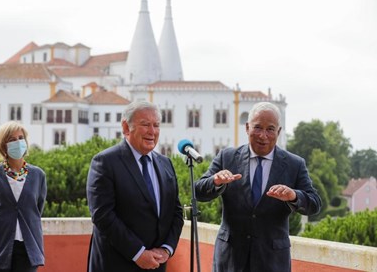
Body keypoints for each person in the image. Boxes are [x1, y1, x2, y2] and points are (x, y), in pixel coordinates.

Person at [195, 102, 322, 272]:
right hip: (230, 260)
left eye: (270, 129)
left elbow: (314, 204)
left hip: (272, 262)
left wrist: (294, 196)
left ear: (279, 131)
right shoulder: (227, 157)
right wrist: (215, 181)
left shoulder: (295, 164)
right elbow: (198, 191)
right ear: (247, 128)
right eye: (257, 127)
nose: (263, 135)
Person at [86, 101, 184, 271]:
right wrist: (138, 254)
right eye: (145, 124)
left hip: (156, 265)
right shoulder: (105, 162)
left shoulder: (166, 164)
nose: (152, 131)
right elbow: (103, 215)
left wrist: (166, 249)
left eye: (156, 125)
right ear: (126, 127)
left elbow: (176, 211)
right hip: (116, 265)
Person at [0, 121, 47, 272]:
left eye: (20, 138)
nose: (18, 142)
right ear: (3, 145)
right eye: (12, 139)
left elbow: (37, 209)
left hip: (28, 248)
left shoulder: (38, 175)